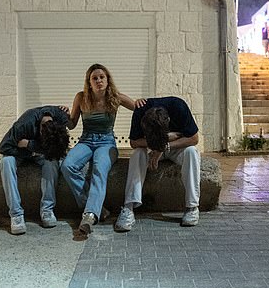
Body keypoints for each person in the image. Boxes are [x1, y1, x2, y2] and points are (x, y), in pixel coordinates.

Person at [61, 63, 143, 235]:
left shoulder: (116, 97)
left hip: (106, 143)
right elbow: (72, 123)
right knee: (67, 165)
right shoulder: (81, 97)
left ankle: (89, 216)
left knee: (100, 168)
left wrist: (144, 103)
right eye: (94, 78)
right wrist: (63, 115)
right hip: (86, 141)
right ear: (89, 82)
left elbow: (139, 108)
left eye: (102, 77)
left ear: (107, 80)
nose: (98, 80)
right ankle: (97, 208)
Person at [115, 96, 200, 232]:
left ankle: (192, 207)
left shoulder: (178, 106)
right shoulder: (140, 110)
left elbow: (194, 139)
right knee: (137, 155)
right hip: (151, 148)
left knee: (191, 152)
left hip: (174, 148)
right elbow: (134, 142)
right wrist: (156, 145)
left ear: (168, 121)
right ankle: (128, 208)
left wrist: (164, 146)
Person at [0, 106, 70, 235]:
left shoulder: (61, 118)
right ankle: (16, 214)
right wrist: (31, 152)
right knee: (6, 161)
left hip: (37, 151)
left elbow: (58, 149)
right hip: (18, 152)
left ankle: (47, 209)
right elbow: (3, 147)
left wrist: (29, 145)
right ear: (41, 131)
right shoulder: (24, 124)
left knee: (52, 161)